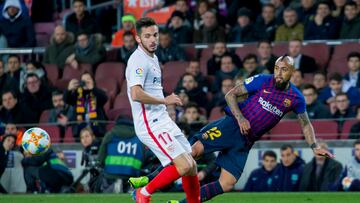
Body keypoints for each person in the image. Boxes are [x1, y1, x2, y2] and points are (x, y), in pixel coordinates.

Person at [133, 55, 334, 202]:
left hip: (246, 141)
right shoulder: (263, 80)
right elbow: (231, 94)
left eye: (283, 69)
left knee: (227, 184)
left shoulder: (296, 98)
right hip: (230, 126)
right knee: (192, 153)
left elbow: (305, 123)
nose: (278, 73)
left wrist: (314, 145)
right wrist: (239, 118)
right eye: (276, 68)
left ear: (292, 72)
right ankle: (147, 180)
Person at [126, 17, 200, 203]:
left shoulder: (154, 57)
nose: (153, 40)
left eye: (155, 35)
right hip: (150, 123)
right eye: (147, 36)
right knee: (183, 166)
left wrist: (165, 102)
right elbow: (136, 94)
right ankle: (143, 193)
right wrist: (164, 100)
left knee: (191, 165)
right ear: (138, 39)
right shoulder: (138, 60)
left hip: (163, 120)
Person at [65, 72, 108, 139]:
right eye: (83, 80)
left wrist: (92, 89)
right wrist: (69, 89)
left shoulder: (97, 93)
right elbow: (66, 100)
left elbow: (104, 99)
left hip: (97, 131)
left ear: (93, 81)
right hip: (80, 132)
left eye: (88, 79)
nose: (86, 82)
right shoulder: (77, 95)